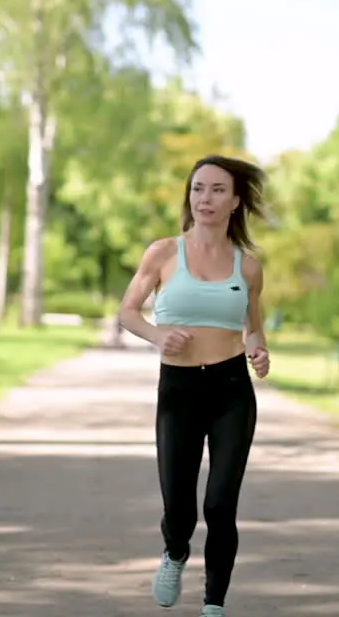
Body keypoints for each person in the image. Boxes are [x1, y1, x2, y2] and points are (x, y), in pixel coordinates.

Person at [118, 154, 271, 617]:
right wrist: (158, 334)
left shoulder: (248, 268)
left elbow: (254, 327)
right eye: (198, 188)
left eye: (217, 190)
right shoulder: (163, 253)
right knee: (180, 507)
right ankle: (176, 552)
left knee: (221, 504)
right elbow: (128, 312)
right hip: (179, 390)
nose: (205, 198)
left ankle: (213, 605)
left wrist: (259, 350)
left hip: (231, 390)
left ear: (235, 200)